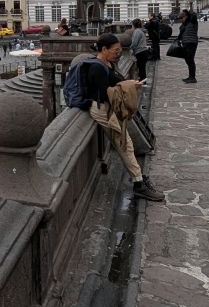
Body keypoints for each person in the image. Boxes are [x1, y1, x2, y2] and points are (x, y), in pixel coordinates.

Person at [67, 33, 164, 202]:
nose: (118, 53)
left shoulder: (106, 63)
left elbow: (115, 82)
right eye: (115, 50)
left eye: (120, 50)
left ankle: (139, 179)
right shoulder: (97, 67)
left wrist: (128, 83)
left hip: (109, 109)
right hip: (102, 109)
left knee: (126, 144)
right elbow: (108, 92)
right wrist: (130, 85)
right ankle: (138, 184)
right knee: (124, 144)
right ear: (104, 49)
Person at [176, 9, 199, 84]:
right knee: (187, 59)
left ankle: (192, 78)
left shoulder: (192, 21)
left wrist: (187, 13)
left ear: (186, 16)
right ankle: (190, 76)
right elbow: (181, 34)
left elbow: (194, 16)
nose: (181, 19)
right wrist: (178, 40)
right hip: (185, 42)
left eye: (182, 17)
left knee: (190, 59)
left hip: (192, 42)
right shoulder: (184, 24)